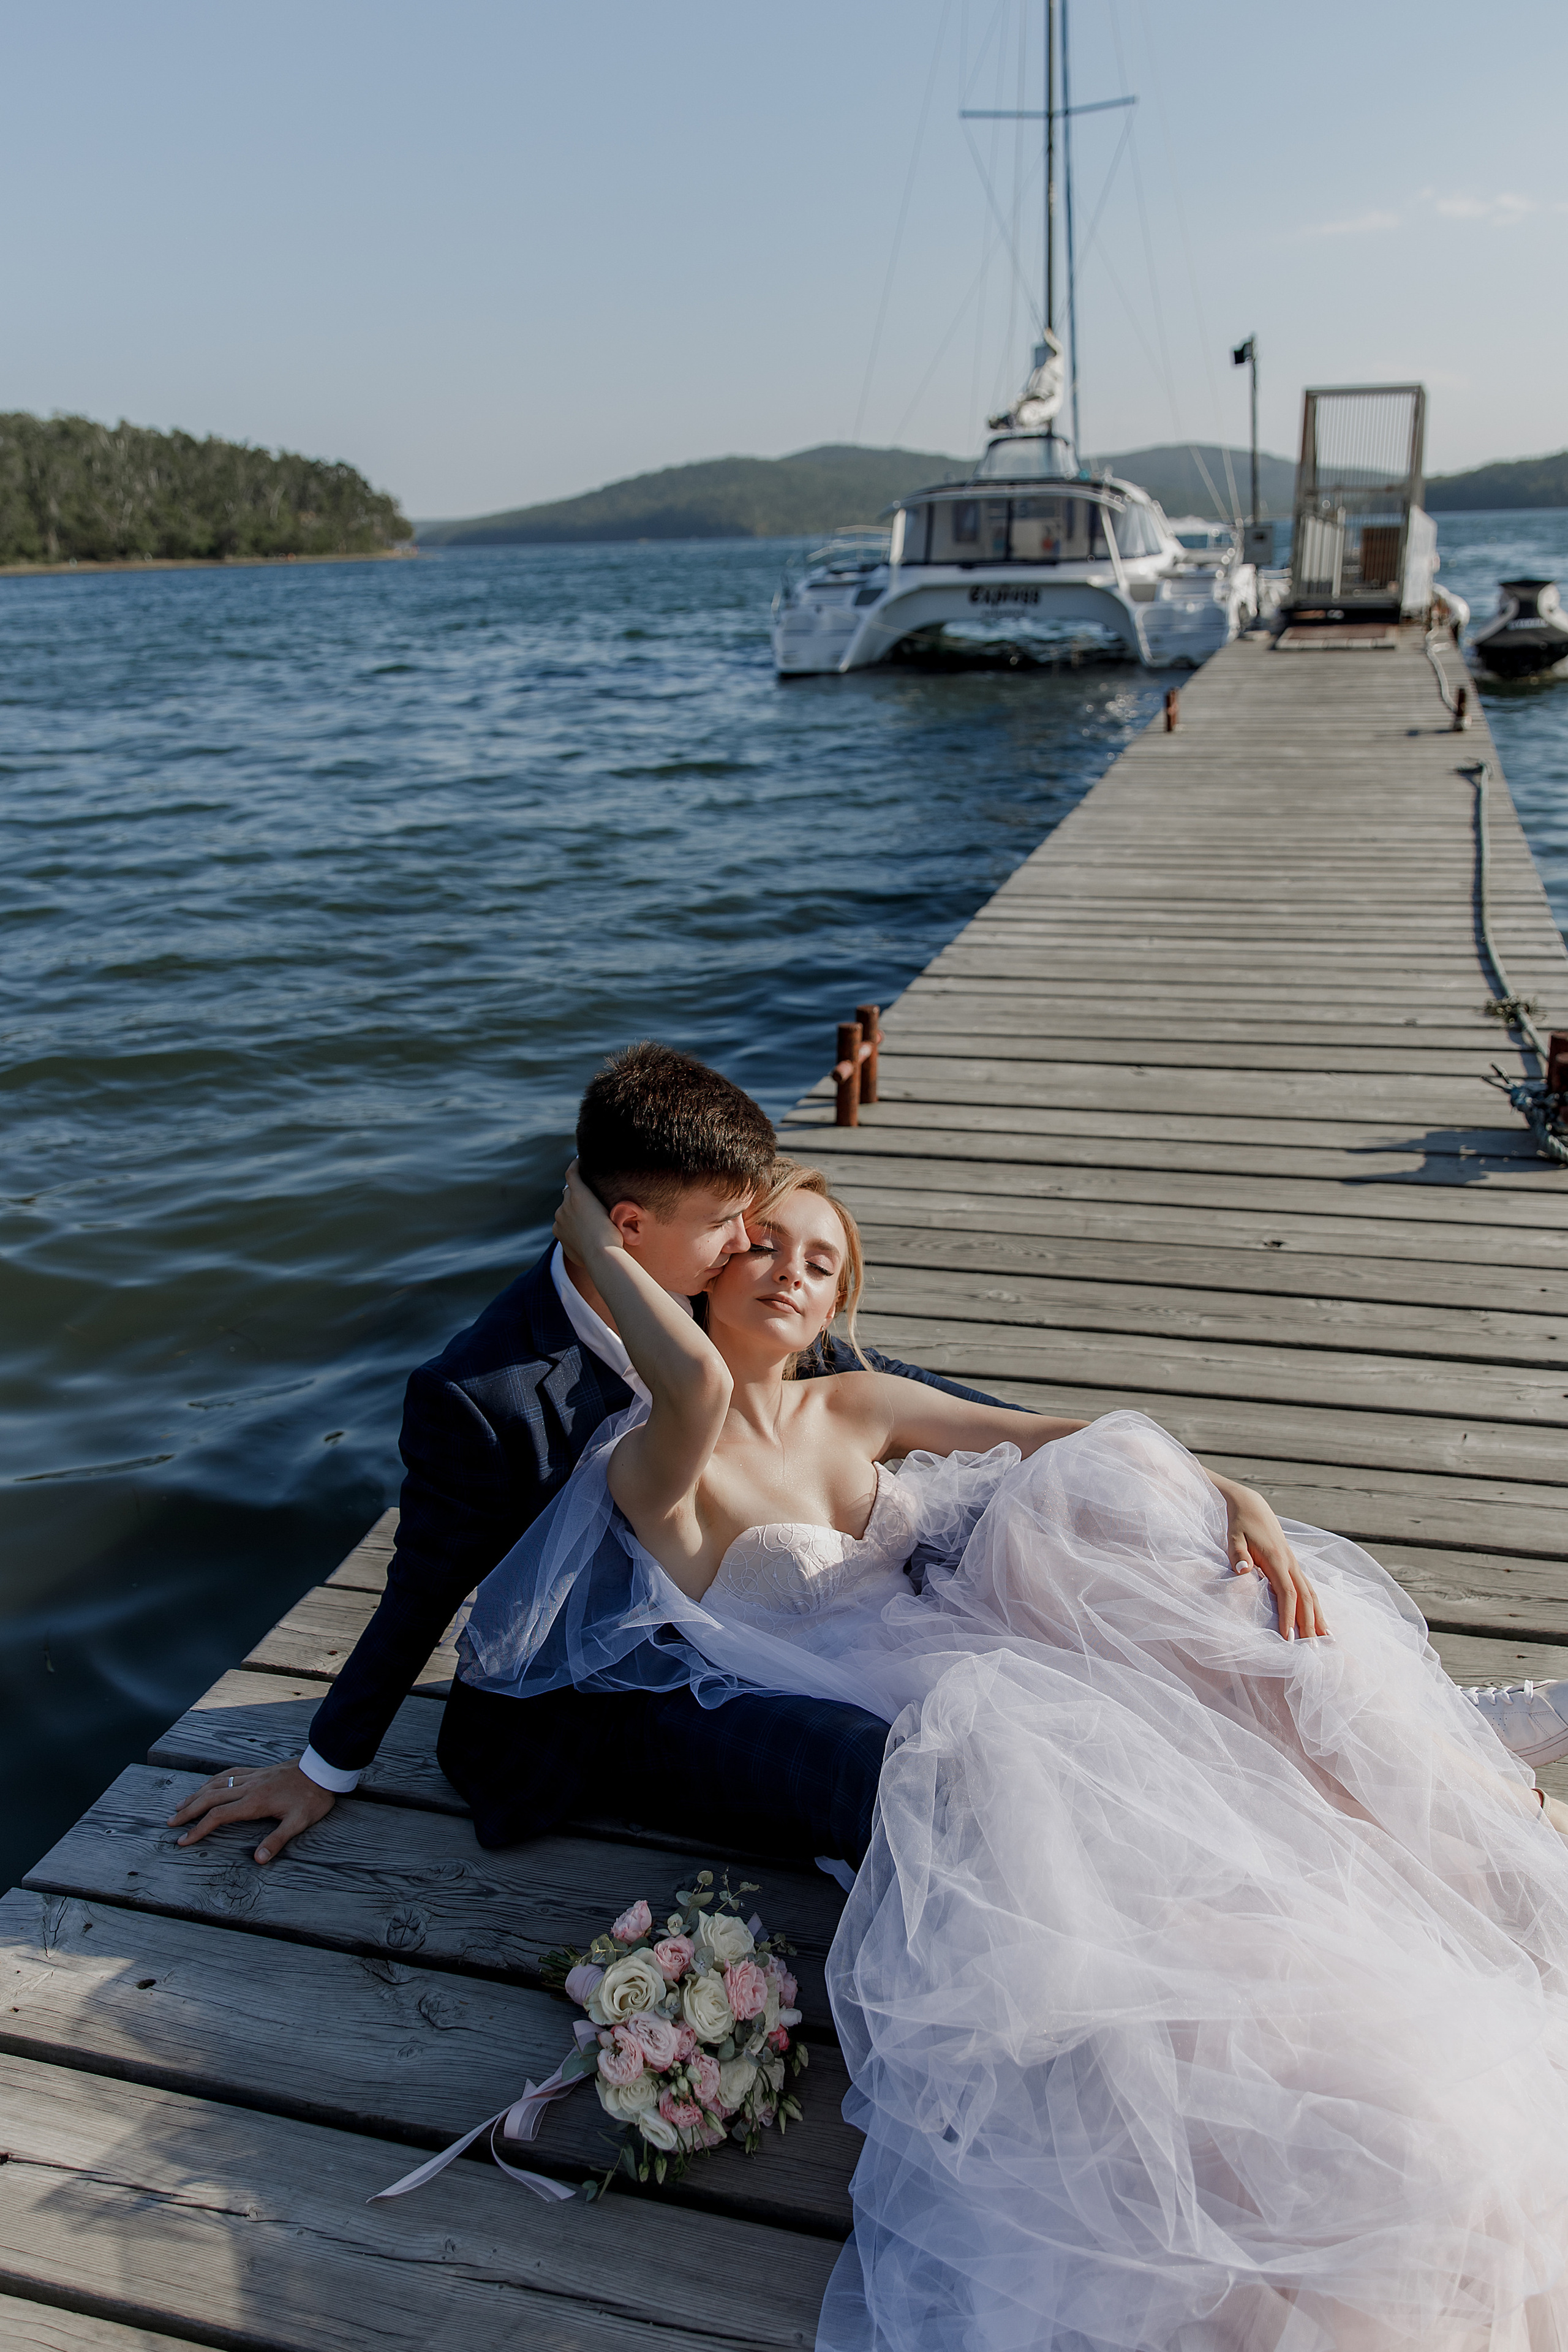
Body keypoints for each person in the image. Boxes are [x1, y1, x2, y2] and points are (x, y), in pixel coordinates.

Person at [459, 1156, 1568, 2351]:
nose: (792, 1273)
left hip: (966, 1637)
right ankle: (1436, 1755)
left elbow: (1060, 1435)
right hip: (890, 1693)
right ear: (719, 1261)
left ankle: (1413, 1746)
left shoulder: (859, 1404)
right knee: (1117, 1812)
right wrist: (591, 1219)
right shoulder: (663, 1450)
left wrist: (1225, 1488)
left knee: (1117, 1484)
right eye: (769, 1245)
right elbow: (682, 1374)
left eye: (821, 1263)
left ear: (840, 1305)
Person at [169, 1043, 1035, 1869]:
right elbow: (421, 1586)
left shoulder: (703, 1282)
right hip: (619, 1685)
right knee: (881, 1775)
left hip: (782, 1615)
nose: (748, 1246)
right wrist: (321, 1771)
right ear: (624, 1227)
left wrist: (1065, 1447)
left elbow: (851, 1370)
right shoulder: (484, 1393)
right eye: (730, 1223)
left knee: (1020, 1696)